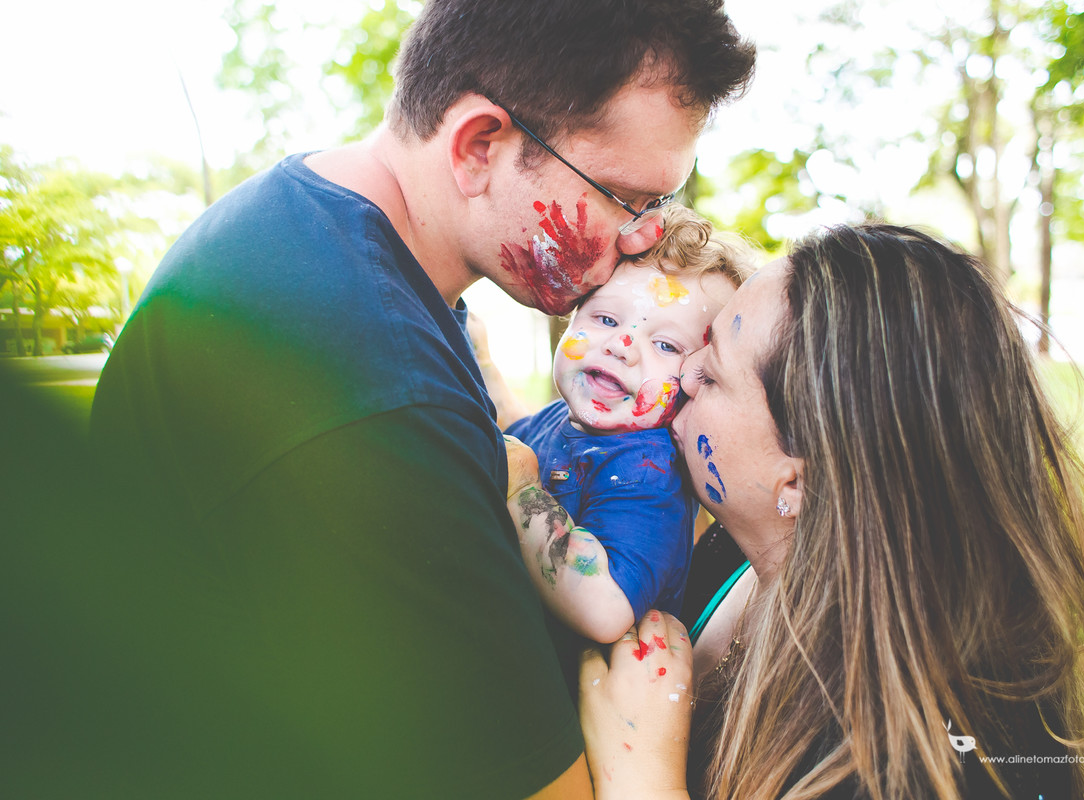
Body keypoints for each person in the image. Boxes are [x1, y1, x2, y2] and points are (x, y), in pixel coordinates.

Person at [87, 2, 755, 797]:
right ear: (478, 147)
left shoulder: (308, 230)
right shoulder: (378, 392)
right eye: (623, 197)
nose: (645, 237)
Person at [578, 223, 1084, 800]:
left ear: (799, 481)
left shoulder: (929, 760)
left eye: (711, 374)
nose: (683, 376)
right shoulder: (736, 548)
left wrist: (644, 778)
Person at [475, 206, 755, 645]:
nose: (622, 346)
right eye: (606, 320)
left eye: (666, 345)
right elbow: (502, 447)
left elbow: (605, 611)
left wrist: (522, 492)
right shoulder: (557, 420)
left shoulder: (649, 475)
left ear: (697, 379)